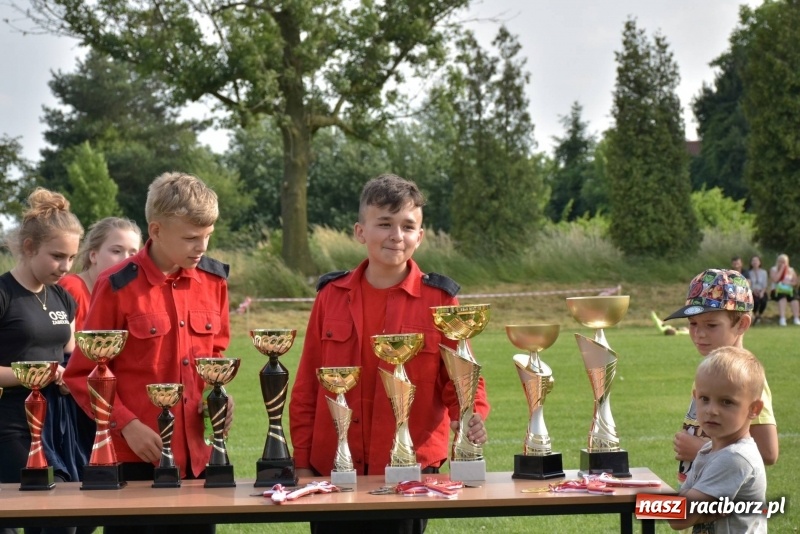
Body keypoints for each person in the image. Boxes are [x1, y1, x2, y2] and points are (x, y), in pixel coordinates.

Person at [289, 173, 490, 534]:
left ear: (420, 236)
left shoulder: (440, 300)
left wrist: (470, 415)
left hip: (410, 474)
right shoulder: (330, 296)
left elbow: (462, 378)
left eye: (408, 226)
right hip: (333, 468)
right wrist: (303, 465)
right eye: (384, 224)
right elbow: (307, 387)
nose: (396, 236)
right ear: (360, 231)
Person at [64, 172, 231, 534]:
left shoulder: (214, 282)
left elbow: (216, 355)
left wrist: (217, 397)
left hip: (198, 462)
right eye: (190, 237)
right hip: (136, 460)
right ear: (155, 231)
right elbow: (82, 374)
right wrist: (126, 425)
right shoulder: (116, 285)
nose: (201, 246)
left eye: (207, 235)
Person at [0, 188, 83, 534]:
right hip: (10, 427)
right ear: (29, 247)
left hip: (56, 425)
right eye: (57, 256)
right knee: (53, 520)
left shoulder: (63, 296)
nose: (65, 267)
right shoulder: (4, 294)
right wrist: (40, 375)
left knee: (71, 520)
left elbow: (70, 353)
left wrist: (69, 375)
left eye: (72, 258)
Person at [664, 268, 778, 488]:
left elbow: (768, 452)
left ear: (742, 324)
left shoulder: (744, 379)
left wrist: (699, 449)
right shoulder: (712, 370)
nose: (699, 333)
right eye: (693, 324)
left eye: (711, 325)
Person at [668, 346, 767, 532]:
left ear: (754, 409)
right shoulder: (708, 450)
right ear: (695, 397)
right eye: (704, 399)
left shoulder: (734, 458)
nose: (711, 410)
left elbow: (677, 518)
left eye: (726, 402)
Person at [59, 217, 142, 329]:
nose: (126, 260)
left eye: (133, 255)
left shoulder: (127, 298)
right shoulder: (72, 288)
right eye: (116, 251)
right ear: (93, 256)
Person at [769, 253, 799, 326]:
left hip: (789, 290)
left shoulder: (791, 270)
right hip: (777, 291)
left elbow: (795, 282)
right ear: (777, 261)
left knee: (794, 299)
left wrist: (789, 283)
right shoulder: (773, 269)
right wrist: (782, 270)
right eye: (780, 261)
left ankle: (796, 318)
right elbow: (775, 280)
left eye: (784, 261)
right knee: (783, 298)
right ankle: (782, 318)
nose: (782, 263)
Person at [747, 255, 768, 325]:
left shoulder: (764, 272)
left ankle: (759, 315)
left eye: (756, 261)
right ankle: (754, 315)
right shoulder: (749, 272)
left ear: (760, 262)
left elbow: (765, 284)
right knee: (755, 301)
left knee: (763, 301)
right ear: (751, 263)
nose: (755, 262)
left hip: (762, 290)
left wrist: (762, 292)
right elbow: (749, 284)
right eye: (753, 261)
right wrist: (753, 291)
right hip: (752, 291)